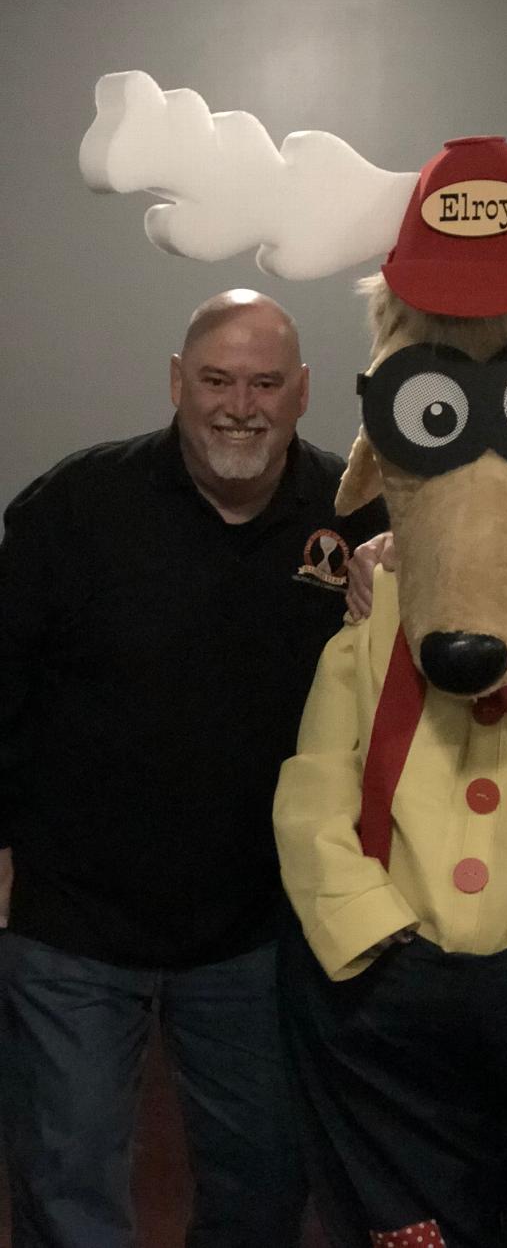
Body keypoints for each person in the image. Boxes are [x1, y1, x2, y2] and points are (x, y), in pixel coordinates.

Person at [0, 289, 386, 1247]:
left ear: (302, 393)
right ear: (178, 383)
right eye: (216, 379)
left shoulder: (361, 522)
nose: (239, 404)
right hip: (72, 926)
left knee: (263, 1187)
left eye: (264, 382)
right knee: (66, 1185)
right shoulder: (72, 506)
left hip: (258, 928)